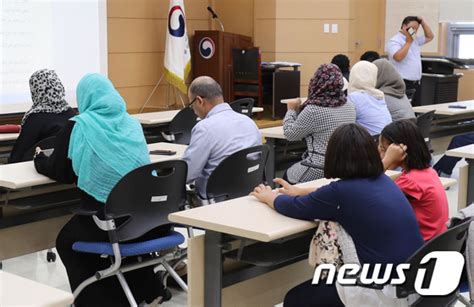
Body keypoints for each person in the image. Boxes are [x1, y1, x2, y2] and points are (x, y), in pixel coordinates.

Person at [34, 73, 170, 306]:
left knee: (67, 241)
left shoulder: (79, 126)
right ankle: (146, 290)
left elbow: (62, 172)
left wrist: (39, 159)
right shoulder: (131, 123)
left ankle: (95, 302)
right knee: (117, 237)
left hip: (112, 222)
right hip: (149, 219)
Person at [251, 123, 423, 307]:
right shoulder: (384, 181)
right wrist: (300, 192)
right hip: (411, 283)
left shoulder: (341, 192)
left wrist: (270, 197)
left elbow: (295, 207)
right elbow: (327, 195)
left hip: (381, 290)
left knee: (295, 299)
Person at [183, 76, 261, 198]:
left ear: (199, 101)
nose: (192, 110)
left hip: (215, 198)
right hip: (248, 192)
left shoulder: (204, 128)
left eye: (191, 104)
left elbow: (188, 174)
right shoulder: (249, 122)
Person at [282, 63, 355, 184]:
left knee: (287, 175)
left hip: (319, 167)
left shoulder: (314, 109)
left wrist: (291, 110)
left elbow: (290, 134)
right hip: (344, 166)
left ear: (316, 82)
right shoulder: (349, 106)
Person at [379, 120, 449, 241]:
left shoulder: (409, 183)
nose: (380, 153)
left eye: (383, 149)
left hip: (418, 250)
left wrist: (386, 162)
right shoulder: (427, 172)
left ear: (400, 151)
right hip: (436, 243)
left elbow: (368, 191)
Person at [8, 69, 76, 163]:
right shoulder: (72, 114)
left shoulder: (35, 118)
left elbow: (17, 157)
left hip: (36, 170)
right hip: (65, 171)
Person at [387, 16, 434, 106]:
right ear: (404, 26)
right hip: (403, 83)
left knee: (416, 110)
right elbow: (398, 57)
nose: (414, 31)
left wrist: (423, 22)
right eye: (412, 28)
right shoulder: (394, 41)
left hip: (416, 83)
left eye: (416, 29)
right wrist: (408, 42)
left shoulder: (414, 39)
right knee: (405, 111)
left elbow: (430, 36)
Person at [347, 60, 392, 136]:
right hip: (386, 138)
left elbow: (346, 126)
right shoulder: (379, 95)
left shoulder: (354, 97)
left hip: (370, 142)